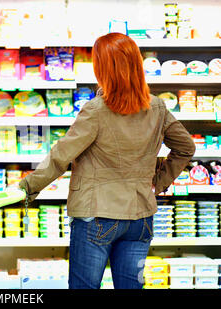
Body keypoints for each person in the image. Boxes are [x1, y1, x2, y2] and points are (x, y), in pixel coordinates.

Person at [18, 32, 195, 289]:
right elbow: (186, 147)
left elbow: (60, 157)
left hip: (96, 216)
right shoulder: (157, 107)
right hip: (140, 217)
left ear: (102, 68)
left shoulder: (96, 110)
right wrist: (158, 181)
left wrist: (25, 189)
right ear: (136, 65)